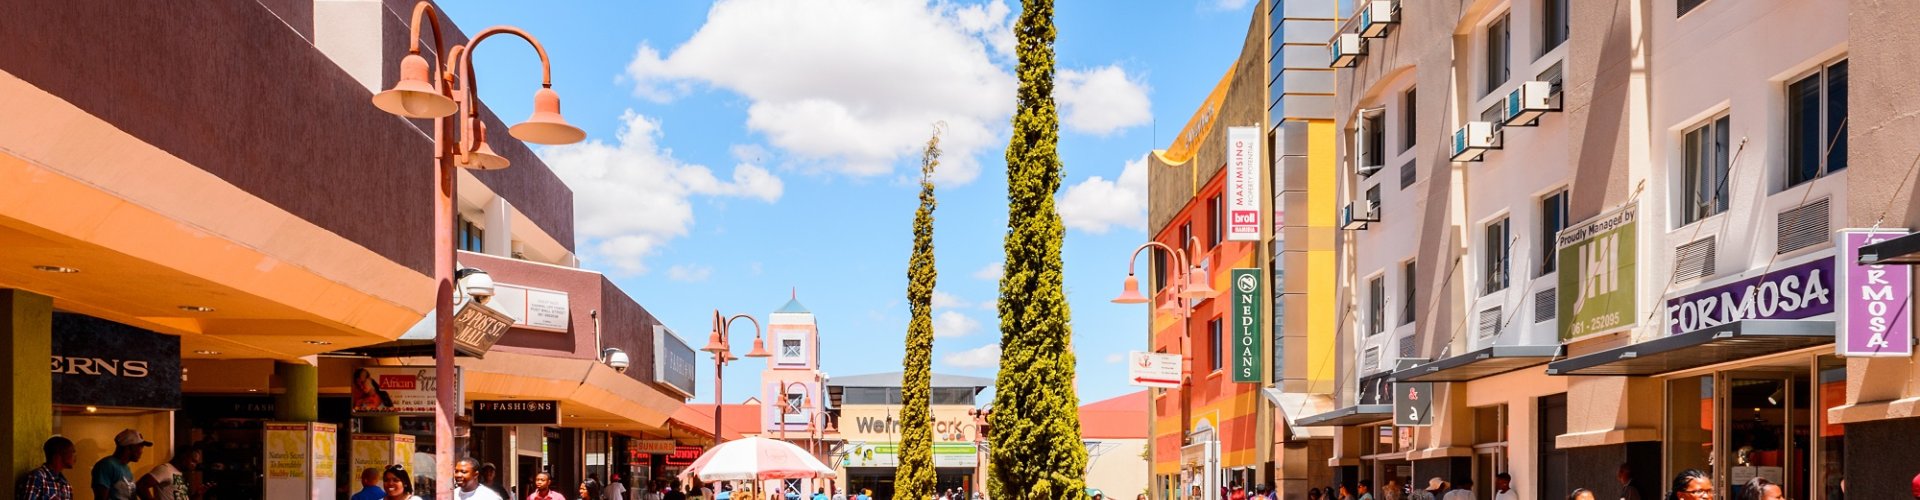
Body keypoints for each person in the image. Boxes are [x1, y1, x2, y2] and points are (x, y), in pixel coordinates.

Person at [93, 429, 152, 500]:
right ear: (130, 446)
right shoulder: (107, 465)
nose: (141, 451)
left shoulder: (126, 468)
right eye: (140, 446)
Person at [19, 436, 77, 500]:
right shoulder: (38, 477)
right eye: (72, 452)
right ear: (58, 455)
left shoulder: (65, 484)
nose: (75, 458)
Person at [136, 447, 201, 500]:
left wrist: (197, 495)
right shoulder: (165, 469)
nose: (194, 465)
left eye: (196, 463)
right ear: (183, 456)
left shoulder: (178, 473)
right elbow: (141, 486)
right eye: (193, 461)